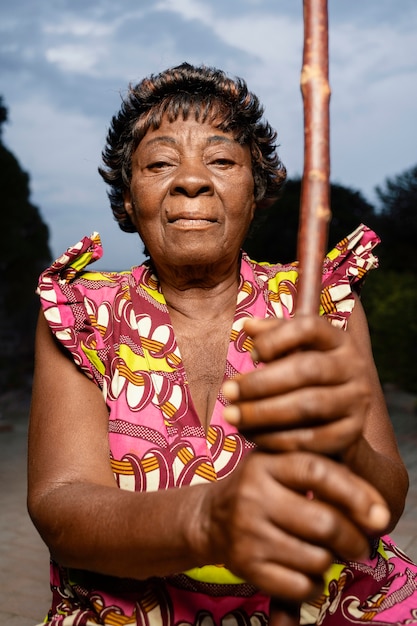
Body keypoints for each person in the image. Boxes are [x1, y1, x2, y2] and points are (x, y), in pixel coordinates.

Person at [28, 63, 417, 626]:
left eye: (221, 159)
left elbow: (385, 504)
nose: (192, 179)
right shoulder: (84, 314)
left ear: (255, 195)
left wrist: (347, 451)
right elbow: (61, 508)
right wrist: (208, 518)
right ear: (129, 203)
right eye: (160, 162)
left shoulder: (317, 305)